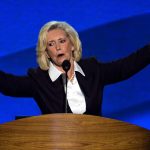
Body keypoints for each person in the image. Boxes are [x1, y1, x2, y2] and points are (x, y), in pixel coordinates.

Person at [0, 21, 150, 116]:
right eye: (51, 44)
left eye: (62, 41)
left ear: (72, 45)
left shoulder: (93, 70)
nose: (58, 47)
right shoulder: (39, 80)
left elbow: (125, 67)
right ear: (46, 53)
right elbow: (8, 85)